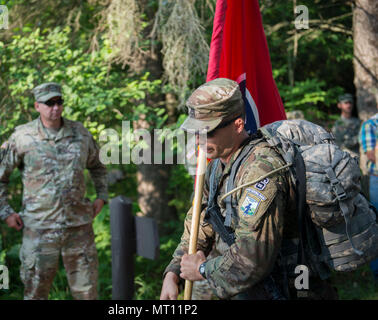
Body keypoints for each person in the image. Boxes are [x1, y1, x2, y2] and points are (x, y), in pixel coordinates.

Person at [160, 78, 337, 300]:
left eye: (208, 131)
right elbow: (199, 226)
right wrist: (174, 273)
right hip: (252, 288)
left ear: (237, 125)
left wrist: (203, 270)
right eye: (196, 132)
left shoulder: (260, 170)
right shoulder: (216, 167)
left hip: (289, 288)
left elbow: (253, 256)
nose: (199, 140)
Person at [0, 82, 108, 300]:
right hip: (39, 229)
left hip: (78, 228)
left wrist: (101, 196)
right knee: (35, 293)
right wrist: (5, 212)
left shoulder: (80, 133)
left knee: (88, 293)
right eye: (49, 103)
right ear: (37, 106)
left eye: (59, 102)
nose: (55, 107)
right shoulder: (21, 137)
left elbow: (98, 167)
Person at [358, 107, 378, 281]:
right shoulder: (371, 124)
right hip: (376, 180)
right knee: (377, 223)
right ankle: (377, 272)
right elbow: (373, 155)